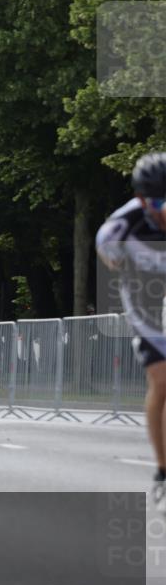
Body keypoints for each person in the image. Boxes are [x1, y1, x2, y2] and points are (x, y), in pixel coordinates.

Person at [96, 151, 166, 512]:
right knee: (162, 379)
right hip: (144, 300)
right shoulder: (120, 227)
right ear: (141, 200)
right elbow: (108, 254)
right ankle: (163, 472)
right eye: (158, 202)